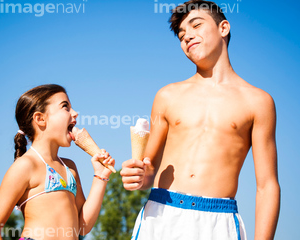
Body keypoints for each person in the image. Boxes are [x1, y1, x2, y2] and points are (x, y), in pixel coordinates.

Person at [120, 1, 280, 239]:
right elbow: (149, 169)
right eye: (181, 34)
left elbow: (267, 185)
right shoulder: (167, 95)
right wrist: (137, 176)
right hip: (162, 214)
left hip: (219, 222)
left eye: (196, 25)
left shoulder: (258, 102)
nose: (187, 36)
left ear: (223, 28)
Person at [0, 84, 115, 240]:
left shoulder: (69, 167)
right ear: (40, 119)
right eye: (65, 107)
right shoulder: (26, 165)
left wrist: (100, 177)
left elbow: (83, 227)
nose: (75, 113)